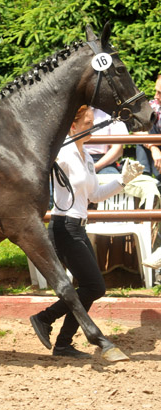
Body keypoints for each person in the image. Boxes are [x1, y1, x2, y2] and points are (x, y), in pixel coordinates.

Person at [29, 105, 144, 358]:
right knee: (94, 287)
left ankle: (61, 341)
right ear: (73, 126)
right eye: (87, 124)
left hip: (79, 227)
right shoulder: (63, 153)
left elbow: (95, 195)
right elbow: (41, 161)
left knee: (90, 287)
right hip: (64, 227)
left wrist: (123, 180)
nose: (92, 128)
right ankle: (45, 319)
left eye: (93, 123)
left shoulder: (87, 157)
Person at [135, 74, 161, 186]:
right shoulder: (153, 106)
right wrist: (153, 147)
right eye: (156, 91)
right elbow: (136, 128)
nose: (156, 96)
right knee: (144, 130)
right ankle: (144, 179)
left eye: (160, 93)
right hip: (155, 155)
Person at [85, 108, 128, 174]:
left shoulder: (111, 113)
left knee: (112, 179)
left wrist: (95, 167)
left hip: (104, 163)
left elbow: (118, 149)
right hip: (72, 160)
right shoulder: (69, 110)